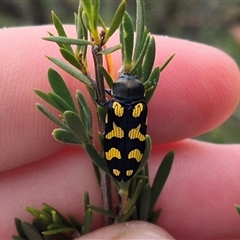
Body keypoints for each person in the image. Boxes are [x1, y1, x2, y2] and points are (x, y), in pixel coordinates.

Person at [1, 25, 240, 239]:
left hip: (119, 159)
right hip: (125, 160)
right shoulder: (139, 107)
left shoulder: (115, 104)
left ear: (115, 91)